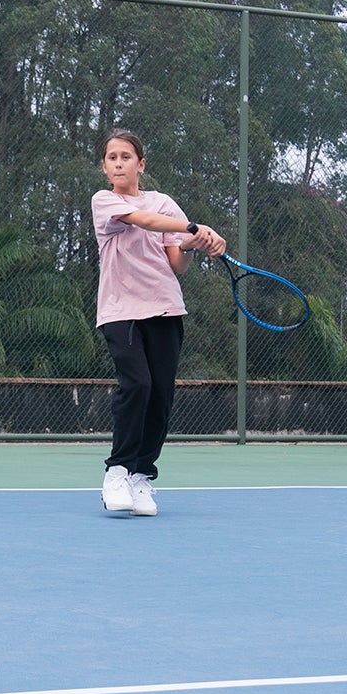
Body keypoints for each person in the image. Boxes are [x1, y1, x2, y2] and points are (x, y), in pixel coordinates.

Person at [91, 130, 226, 515]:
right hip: (121, 311)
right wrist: (195, 228)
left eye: (126, 157)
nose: (119, 163)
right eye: (112, 157)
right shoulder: (105, 201)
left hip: (165, 307)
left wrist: (192, 244)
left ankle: (140, 478)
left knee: (161, 396)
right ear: (105, 167)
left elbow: (175, 263)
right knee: (137, 385)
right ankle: (117, 471)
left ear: (141, 164)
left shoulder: (163, 202)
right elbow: (145, 221)